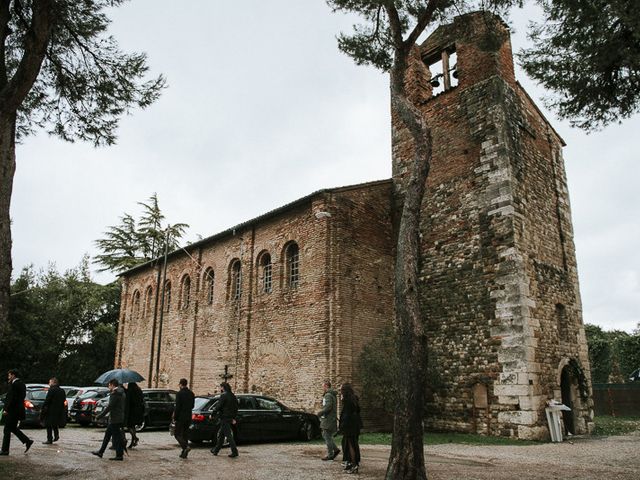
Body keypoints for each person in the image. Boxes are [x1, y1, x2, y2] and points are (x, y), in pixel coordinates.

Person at [0, 369, 34, 455]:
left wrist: (6, 409)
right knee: (13, 428)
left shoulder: (15, 384)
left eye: (9, 375)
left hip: (13, 410)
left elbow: (12, 398)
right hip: (17, 410)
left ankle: (5, 450)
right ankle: (27, 441)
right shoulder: (21, 384)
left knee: (7, 429)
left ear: (13, 375)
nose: (8, 377)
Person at [92, 379, 126, 461]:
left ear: (112, 385)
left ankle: (119, 455)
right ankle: (101, 452)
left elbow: (110, 407)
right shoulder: (122, 392)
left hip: (115, 419)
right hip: (118, 418)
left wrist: (99, 416)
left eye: (109, 385)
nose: (108, 387)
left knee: (117, 438)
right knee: (108, 436)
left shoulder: (115, 394)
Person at [210, 382, 239, 458]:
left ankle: (234, 451)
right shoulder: (232, 396)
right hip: (229, 417)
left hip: (224, 417)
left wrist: (212, 414)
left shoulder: (223, 395)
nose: (220, 389)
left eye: (221, 387)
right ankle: (216, 450)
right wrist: (233, 417)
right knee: (222, 435)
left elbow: (218, 406)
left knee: (228, 435)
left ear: (223, 387)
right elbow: (236, 407)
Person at [339, 383, 362, 474]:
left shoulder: (348, 401)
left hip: (350, 425)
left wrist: (342, 426)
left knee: (351, 445)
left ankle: (354, 464)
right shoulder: (354, 399)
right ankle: (350, 462)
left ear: (345, 391)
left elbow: (346, 415)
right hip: (355, 425)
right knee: (348, 444)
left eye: (341, 390)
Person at [317, 380, 339, 461]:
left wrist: (320, 412)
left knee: (326, 435)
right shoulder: (332, 395)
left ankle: (330, 454)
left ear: (326, 386)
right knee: (326, 435)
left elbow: (328, 407)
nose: (322, 388)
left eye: (323, 386)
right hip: (330, 418)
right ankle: (335, 450)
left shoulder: (328, 395)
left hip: (328, 418)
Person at [173, 378, 195, 459]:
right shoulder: (191, 393)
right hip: (188, 416)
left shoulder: (179, 394)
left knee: (177, 434)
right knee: (185, 434)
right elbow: (192, 406)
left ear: (181, 384)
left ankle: (185, 447)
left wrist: (175, 417)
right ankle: (184, 453)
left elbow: (178, 407)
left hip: (181, 417)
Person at [40, 377, 66, 444]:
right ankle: (56, 435)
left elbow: (47, 400)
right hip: (59, 410)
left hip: (51, 410)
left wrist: (43, 408)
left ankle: (49, 439)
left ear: (54, 382)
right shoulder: (62, 390)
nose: (49, 384)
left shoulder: (51, 390)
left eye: (50, 382)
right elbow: (64, 400)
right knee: (55, 424)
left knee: (48, 424)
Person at [124, 382, 145, 448]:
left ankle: (135, 438)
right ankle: (133, 441)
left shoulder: (130, 392)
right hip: (138, 411)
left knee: (129, 426)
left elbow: (128, 402)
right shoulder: (139, 391)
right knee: (132, 427)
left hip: (131, 412)